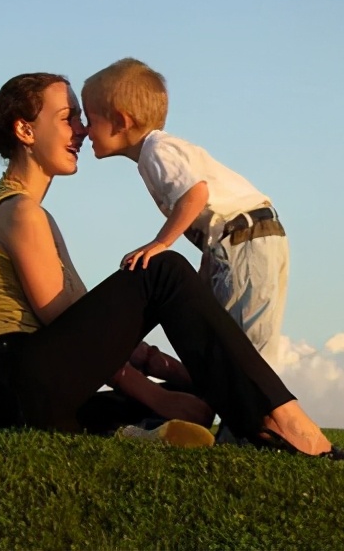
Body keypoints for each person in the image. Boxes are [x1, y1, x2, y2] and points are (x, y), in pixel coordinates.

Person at [0, 72, 344, 461]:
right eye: (68, 118)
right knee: (162, 269)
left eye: (81, 118)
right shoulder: (20, 213)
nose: (82, 129)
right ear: (25, 131)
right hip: (14, 382)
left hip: (22, 399)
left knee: (194, 396)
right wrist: (156, 394)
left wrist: (177, 375)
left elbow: (84, 318)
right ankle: (283, 421)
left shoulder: (30, 212)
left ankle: (149, 432)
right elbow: (61, 318)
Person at [80, 58, 288, 366]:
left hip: (245, 239)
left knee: (243, 347)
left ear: (121, 121)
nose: (85, 131)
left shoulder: (157, 150)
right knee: (224, 339)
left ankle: (257, 398)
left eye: (90, 120)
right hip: (237, 239)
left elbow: (195, 194)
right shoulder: (156, 153)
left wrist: (160, 243)